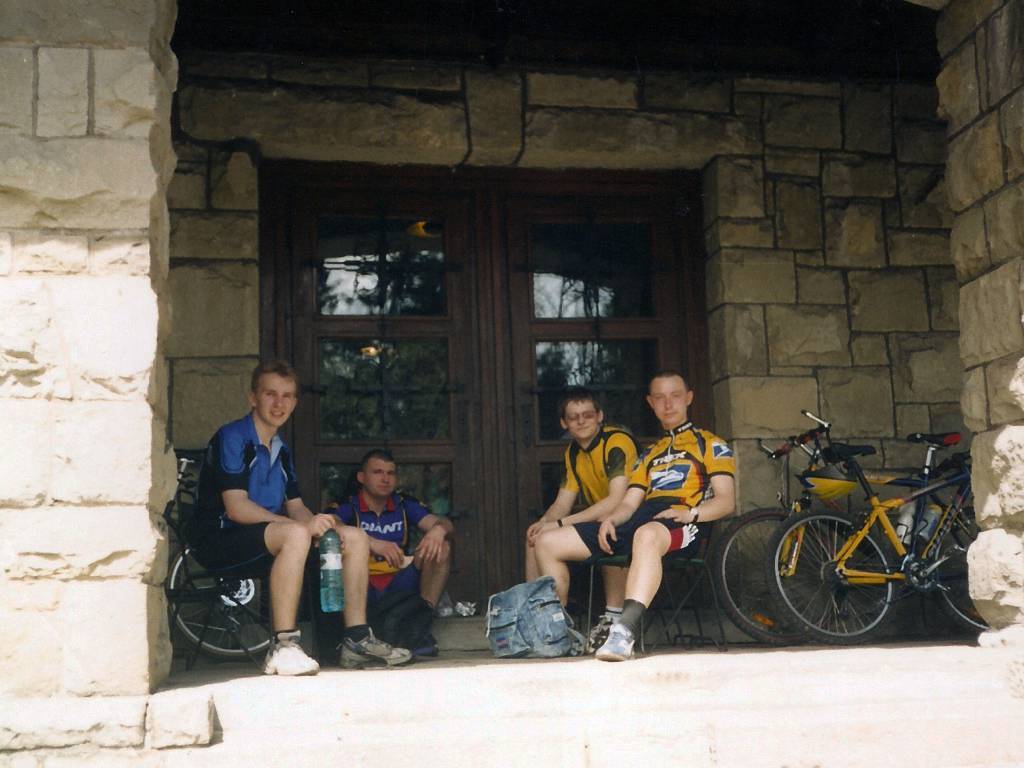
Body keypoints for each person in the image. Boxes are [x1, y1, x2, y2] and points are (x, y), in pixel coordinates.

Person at [192, 360, 412, 674]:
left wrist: (322, 528)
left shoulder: (281, 449)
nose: (278, 403)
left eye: (287, 396)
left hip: (264, 537)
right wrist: (303, 527)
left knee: (353, 536)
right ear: (253, 398)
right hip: (219, 537)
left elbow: (295, 506)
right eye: (270, 394)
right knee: (296, 533)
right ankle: (284, 647)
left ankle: (356, 640)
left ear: (295, 403)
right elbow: (237, 507)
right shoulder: (233, 437)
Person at [534, 370, 735, 662]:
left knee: (646, 534)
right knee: (548, 542)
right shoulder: (649, 454)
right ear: (650, 403)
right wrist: (612, 519)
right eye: (660, 397)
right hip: (644, 517)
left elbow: (726, 501)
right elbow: (629, 503)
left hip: (685, 522)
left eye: (675, 396)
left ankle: (623, 631)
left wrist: (691, 513)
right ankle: (557, 633)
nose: (668, 404)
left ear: (689, 398)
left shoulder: (710, 444)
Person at [525, 387, 640, 650]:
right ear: (563, 423)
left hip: (632, 518)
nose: (581, 421)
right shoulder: (573, 453)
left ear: (600, 416)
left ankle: (559, 626)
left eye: (587, 415)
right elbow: (562, 503)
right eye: (573, 417)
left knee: (570, 536)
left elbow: (616, 500)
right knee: (535, 538)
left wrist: (560, 524)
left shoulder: (616, 442)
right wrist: (543, 523)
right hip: (604, 521)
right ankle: (537, 619)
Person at [329, 449, 455, 656]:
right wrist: (372, 542)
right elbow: (329, 524)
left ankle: (419, 627)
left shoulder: (403, 504)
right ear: (361, 477)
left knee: (442, 547)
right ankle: (358, 635)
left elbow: (443, 522)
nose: (385, 479)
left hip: (398, 580)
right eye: (377, 472)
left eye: (390, 473)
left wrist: (438, 530)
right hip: (362, 585)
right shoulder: (348, 504)